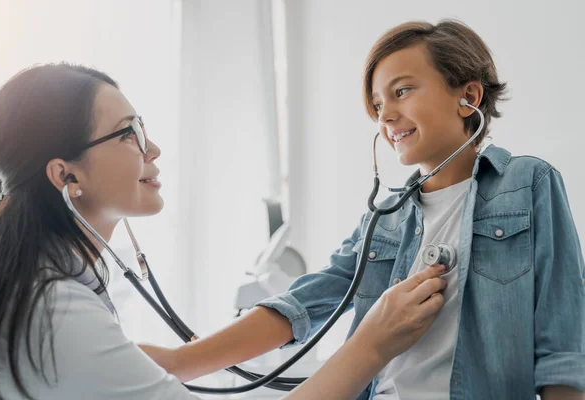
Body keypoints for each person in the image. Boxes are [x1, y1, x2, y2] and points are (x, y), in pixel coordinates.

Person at [140, 19, 585, 400]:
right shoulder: (385, 218)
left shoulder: (528, 183)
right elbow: (303, 304)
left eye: (402, 91)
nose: (385, 116)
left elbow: (563, 345)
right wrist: (182, 362)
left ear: (467, 95)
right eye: (377, 104)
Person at [0, 63, 449, 400]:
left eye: (141, 129)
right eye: (129, 134)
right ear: (66, 176)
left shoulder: (42, 287)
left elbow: (138, 364)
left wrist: (183, 361)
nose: (154, 149)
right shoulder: (53, 313)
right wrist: (371, 345)